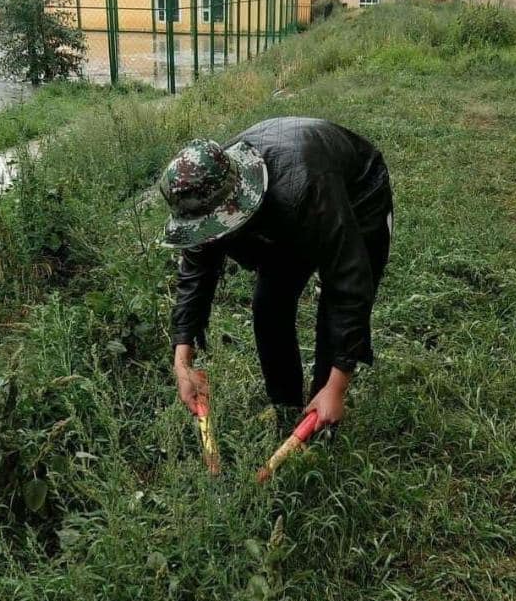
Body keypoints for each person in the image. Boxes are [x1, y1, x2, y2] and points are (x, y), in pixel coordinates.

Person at [160, 117, 393, 431]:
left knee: (333, 314)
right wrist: (182, 365)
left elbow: (349, 282)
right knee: (269, 306)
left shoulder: (305, 188)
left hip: (357, 193)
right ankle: (285, 406)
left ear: (237, 203)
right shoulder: (205, 194)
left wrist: (337, 386)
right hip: (285, 205)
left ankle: (323, 415)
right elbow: (195, 275)